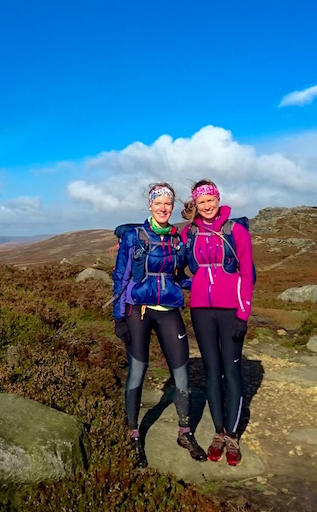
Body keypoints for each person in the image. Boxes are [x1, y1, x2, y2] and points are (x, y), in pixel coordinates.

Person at [111, 182, 207, 468]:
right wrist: (118, 317)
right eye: (158, 203)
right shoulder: (134, 237)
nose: (164, 208)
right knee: (137, 372)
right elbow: (120, 278)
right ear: (150, 206)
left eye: (168, 204)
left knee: (182, 373)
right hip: (137, 310)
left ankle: (185, 432)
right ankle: (133, 433)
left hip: (168, 309)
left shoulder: (177, 240)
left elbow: (179, 276)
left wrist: (206, 282)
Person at [181, 179, 254, 466]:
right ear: (195, 205)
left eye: (210, 200)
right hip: (200, 309)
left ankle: (233, 435)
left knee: (231, 372)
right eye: (201, 202)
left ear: (218, 198)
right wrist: (127, 237)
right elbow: (164, 240)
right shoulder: (189, 232)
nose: (207, 206)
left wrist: (243, 315)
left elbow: (247, 275)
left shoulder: (236, 231)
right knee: (211, 372)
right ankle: (219, 432)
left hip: (229, 310)